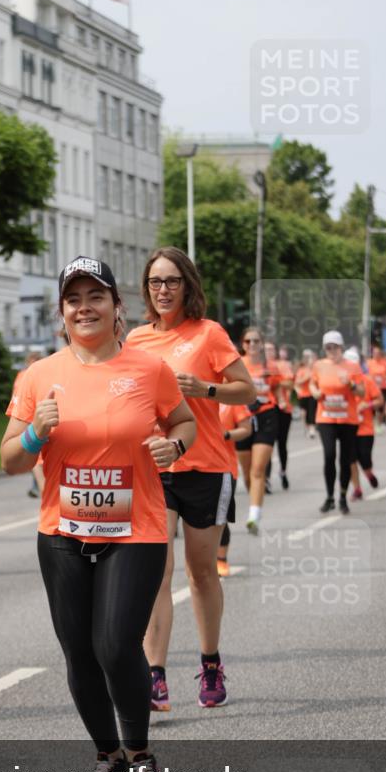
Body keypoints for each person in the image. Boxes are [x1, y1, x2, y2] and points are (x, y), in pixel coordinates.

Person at [1, 257, 196, 772]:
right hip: (61, 534)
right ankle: (107, 756)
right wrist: (35, 434)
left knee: (114, 645)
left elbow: (184, 420)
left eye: (95, 297)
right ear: (62, 311)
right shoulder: (38, 376)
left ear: (115, 306)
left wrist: (175, 446)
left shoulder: (148, 370)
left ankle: (141, 754)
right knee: (79, 653)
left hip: (135, 529)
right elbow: (11, 460)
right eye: (73, 299)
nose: (84, 308)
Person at [126, 247, 255, 711]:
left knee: (201, 573)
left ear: (187, 285)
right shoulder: (135, 340)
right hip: (156, 468)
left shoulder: (209, 333)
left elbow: (247, 390)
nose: (163, 290)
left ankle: (211, 661)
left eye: (172, 281)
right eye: (155, 282)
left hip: (207, 467)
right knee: (155, 573)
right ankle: (154, 675)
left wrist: (206, 389)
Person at [309, 331, 364, 514]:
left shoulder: (353, 366)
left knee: (345, 459)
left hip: (347, 419)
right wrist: (315, 392)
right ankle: (329, 497)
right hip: (326, 418)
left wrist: (351, 385)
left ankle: (342, 497)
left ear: (341, 347)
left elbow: (362, 392)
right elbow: (312, 383)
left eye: (335, 347)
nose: (332, 350)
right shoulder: (319, 365)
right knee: (329, 455)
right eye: (328, 347)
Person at [235, 328, 281, 534]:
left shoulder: (270, 366)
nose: (252, 345)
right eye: (248, 341)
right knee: (247, 473)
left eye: (256, 341)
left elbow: (278, 385)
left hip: (266, 416)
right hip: (243, 418)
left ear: (261, 344)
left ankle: (254, 515)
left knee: (258, 469)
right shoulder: (236, 364)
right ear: (243, 344)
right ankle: (254, 501)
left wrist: (274, 399)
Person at [216, 403, 252, 576]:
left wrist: (226, 434)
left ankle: (221, 558)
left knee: (220, 516)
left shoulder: (230, 399)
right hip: (193, 467)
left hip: (225, 467)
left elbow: (246, 429)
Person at [344, 349, 381, 500]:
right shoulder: (341, 381)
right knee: (351, 459)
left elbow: (379, 400)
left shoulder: (367, 381)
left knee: (364, 458)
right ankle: (357, 489)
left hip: (365, 428)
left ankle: (369, 473)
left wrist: (367, 405)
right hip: (347, 426)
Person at [10, 352, 45, 499]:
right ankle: (40, 487)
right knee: (35, 453)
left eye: (36, 361)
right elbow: (16, 397)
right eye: (31, 361)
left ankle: (38, 487)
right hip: (28, 418)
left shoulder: (41, 374)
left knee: (38, 454)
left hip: (39, 417)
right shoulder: (23, 376)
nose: (33, 364)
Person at [264, 343, 295, 490]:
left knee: (282, 443)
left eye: (271, 349)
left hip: (283, 408)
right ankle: (266, 477)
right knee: (266, 443)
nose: (268, 352)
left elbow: (290, 384)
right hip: (266, 408)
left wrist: (275, 380)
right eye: (266, 349)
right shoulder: (260, 365)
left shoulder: (282, 365)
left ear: (276, 351)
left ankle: (283, 471)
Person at [295, 349, 317, 439]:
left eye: (311, 357)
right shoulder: (301, 370)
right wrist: (306, 378)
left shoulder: (315, 369)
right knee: (304, 412)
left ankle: (312, 429)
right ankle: (307, 427)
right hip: (303, 395)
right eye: (307, 357)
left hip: (312, 394)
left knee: (312, 412)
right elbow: (297, 382)